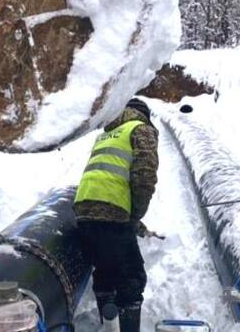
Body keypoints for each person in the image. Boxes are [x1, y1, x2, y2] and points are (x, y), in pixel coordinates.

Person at [74, 98, 159, 332]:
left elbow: (108, 180)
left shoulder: (107, 134)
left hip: (83, 209)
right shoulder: (141, 129)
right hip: (112, 214)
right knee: (132, 279)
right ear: (144, 115)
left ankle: (108, 326)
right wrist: (136, 215)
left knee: (105, 271)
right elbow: (144, 177)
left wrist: (137, 225)